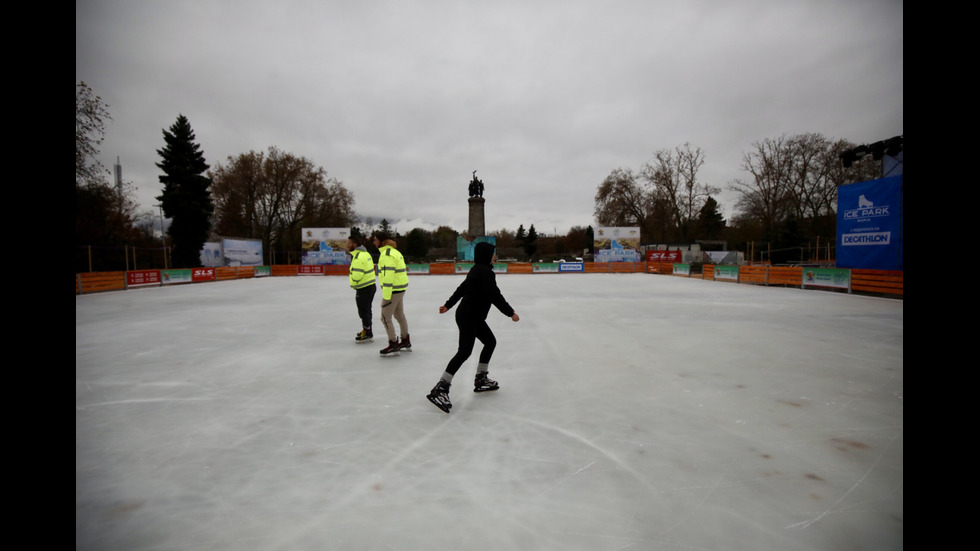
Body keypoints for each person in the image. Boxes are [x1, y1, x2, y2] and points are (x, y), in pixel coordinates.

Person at [427, 241, 519, 413]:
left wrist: (448, 305)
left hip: (473, 317)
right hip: (468, 317)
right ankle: (441, 388)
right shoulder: (484, 272)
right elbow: (495, 296)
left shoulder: (477, 270)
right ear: (486, 255)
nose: (495, 256)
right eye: (493, 253)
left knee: (490, 342)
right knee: (464, 351)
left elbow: (462, 288)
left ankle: (481, 378)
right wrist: (510, 313)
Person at [374, 231, 411, 356]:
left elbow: (388, 275)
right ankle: (405, 340)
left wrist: (386, 295)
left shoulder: (386, 254)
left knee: (385, 317)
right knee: (399, 315)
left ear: (381, 241)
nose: (374, 242)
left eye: (375, 240)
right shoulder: (395, 251)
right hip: (400, 288)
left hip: (393, 290)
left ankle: (393, 343)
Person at [347, 235, 376, 343]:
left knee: (363, 311)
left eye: (349, 243)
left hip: (364, 287)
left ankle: (367, 332)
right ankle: (367, 330)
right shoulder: (365, 253)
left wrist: (353, 279)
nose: (347, 245)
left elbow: (358, 275)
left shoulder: (359, 256)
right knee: (367, 310)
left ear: (355, 244)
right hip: (370, 286)